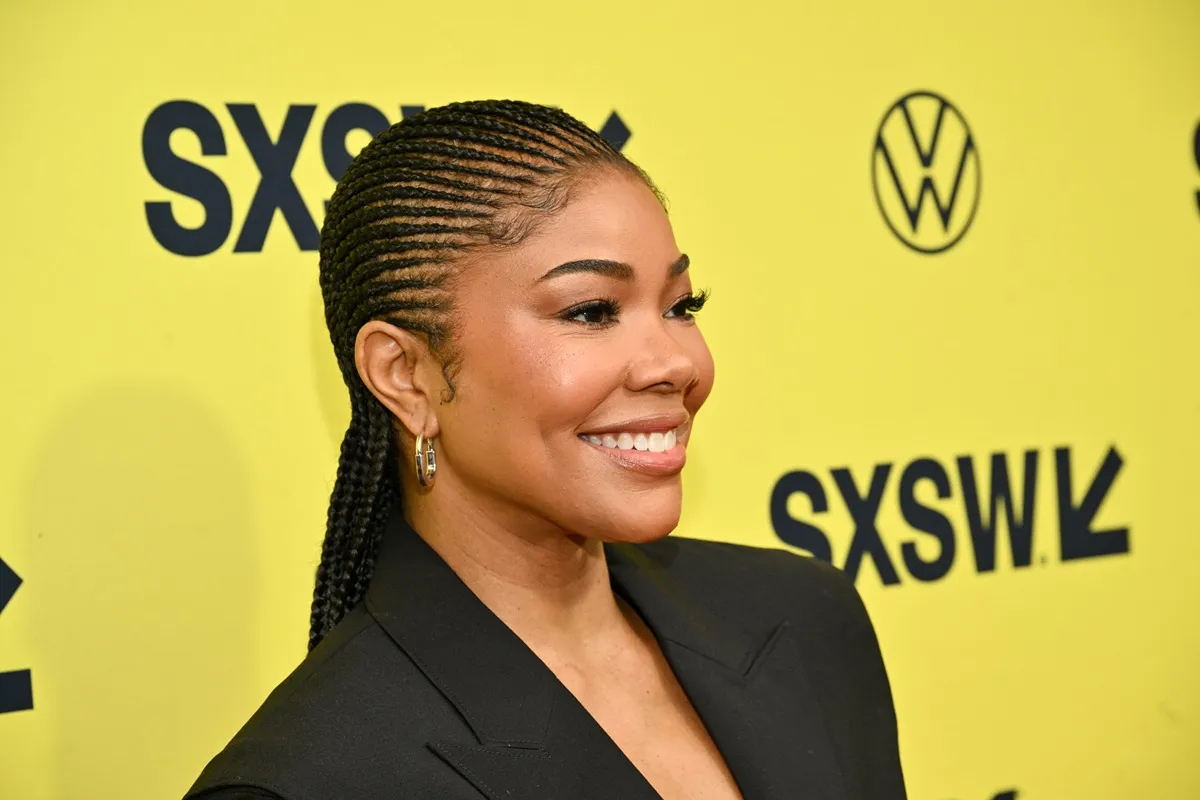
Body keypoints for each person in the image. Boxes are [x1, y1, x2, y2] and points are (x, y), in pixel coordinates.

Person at [184, 99, 906, 800]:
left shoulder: (808, 619)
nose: (676, 363)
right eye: (591, 311)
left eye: (681, 306)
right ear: (405, 376)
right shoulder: (312, 779)